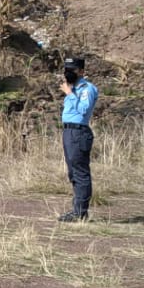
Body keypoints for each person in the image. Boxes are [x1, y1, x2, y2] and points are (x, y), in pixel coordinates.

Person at [58, 56, 98, 222]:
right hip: (68, 131)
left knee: (80, 172)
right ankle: (77, 210)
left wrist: (69, 93)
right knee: (73, 172)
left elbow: (83, 109)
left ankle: (80, 213)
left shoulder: (87, 89)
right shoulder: (72, 87)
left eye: (72, 70)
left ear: (81, 71)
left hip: (79, 132)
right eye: (66, 70)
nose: (68, 73)